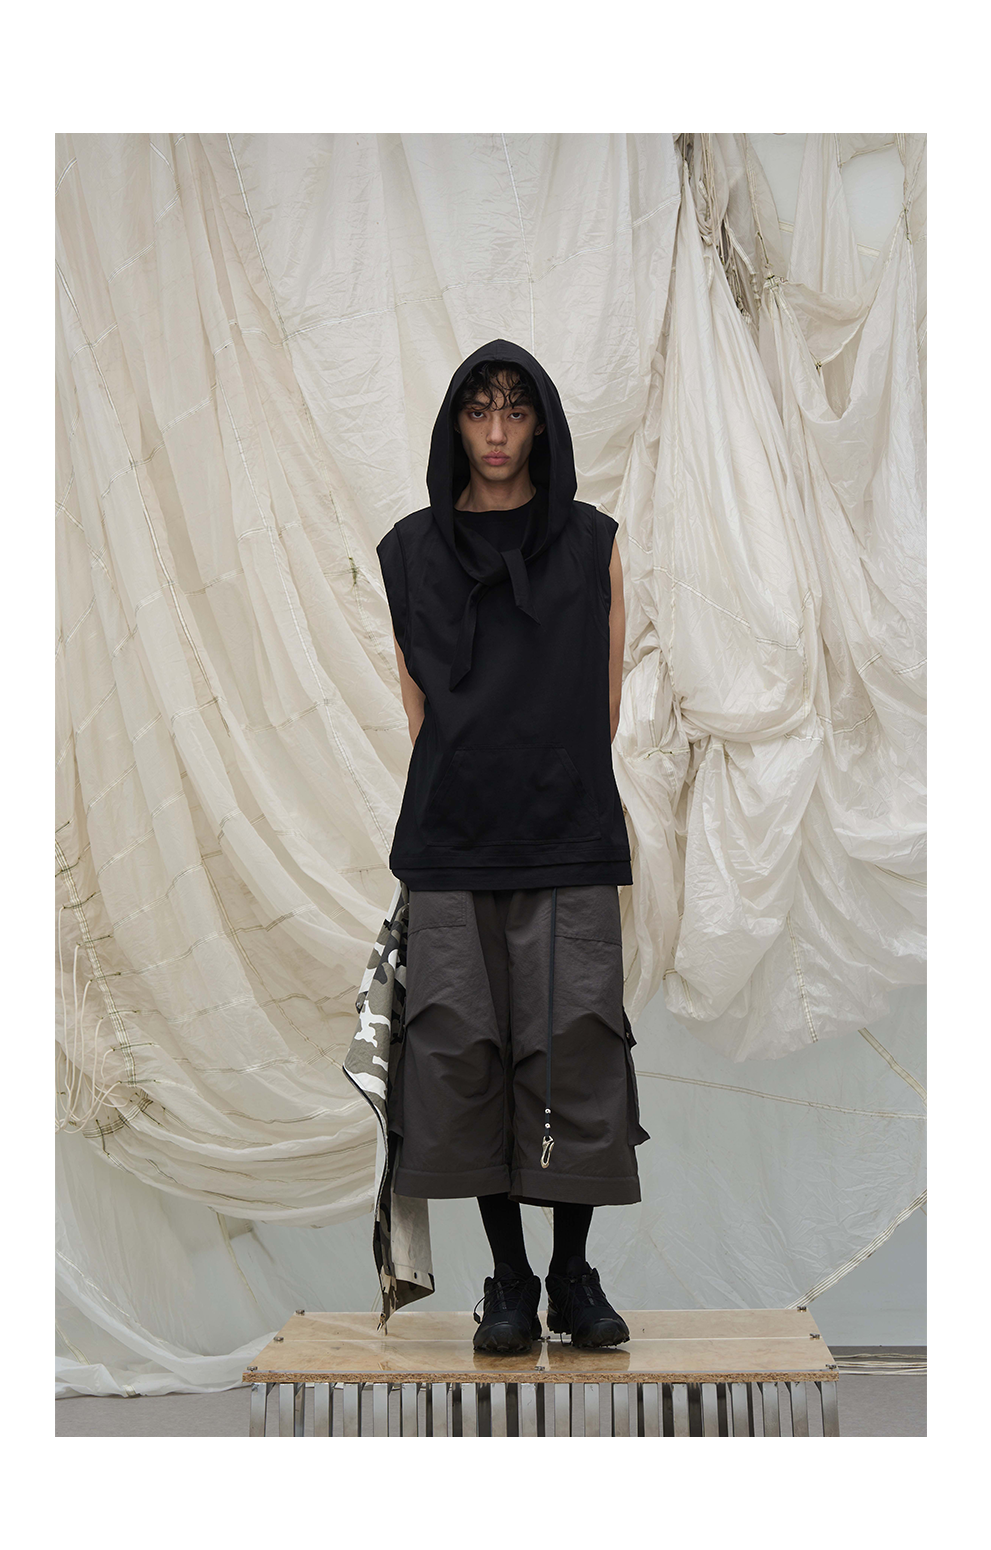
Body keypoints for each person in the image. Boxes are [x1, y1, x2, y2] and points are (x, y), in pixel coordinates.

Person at [375, 339, 650, 1355]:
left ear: (542, 423)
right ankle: (511, 1276)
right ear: (455, 424)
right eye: (478, 410)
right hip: (452, 841)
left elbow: (604, 705)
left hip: (568, 833)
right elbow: (419, 713)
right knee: (467, 1051)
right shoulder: (410, 551)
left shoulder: (591, 542)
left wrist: (551, 785)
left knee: (576, 1049)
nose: (496, 433)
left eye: (515, 411)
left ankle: (572, 1274)